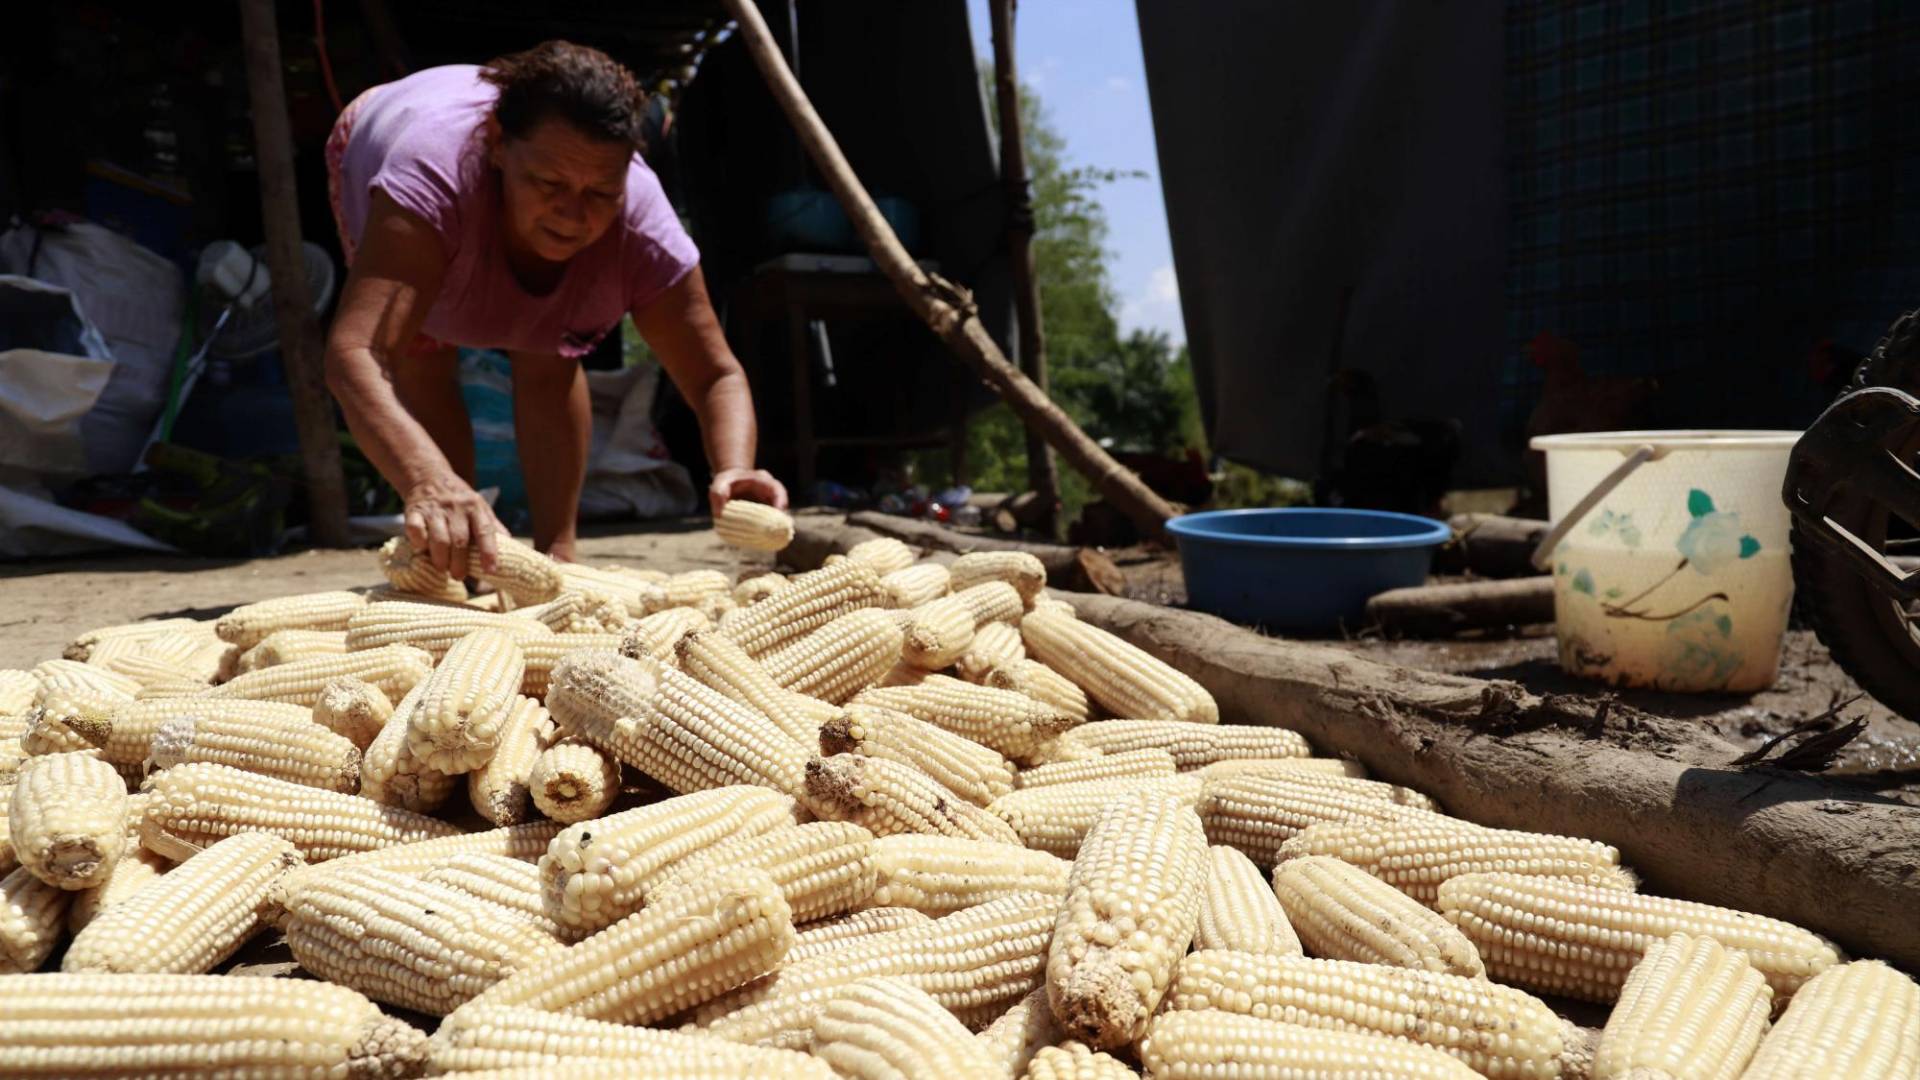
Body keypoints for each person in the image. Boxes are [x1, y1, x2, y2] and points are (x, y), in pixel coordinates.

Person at [323, 40, 786, 578]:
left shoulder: (642, 227)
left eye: (599, 193)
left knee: (551, 352)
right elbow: (355, 353)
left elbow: (714, 373)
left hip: (497, 182)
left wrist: (735, 467)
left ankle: (558, 555)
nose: (572, 215)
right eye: (549, 185)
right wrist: (430, 480)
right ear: (497, 144)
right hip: (381, 131)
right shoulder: (427, 181)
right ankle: (460, 554)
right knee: (423, 352)